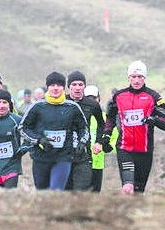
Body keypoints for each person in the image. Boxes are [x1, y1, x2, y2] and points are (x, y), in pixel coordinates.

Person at [19, 71, 89, 190]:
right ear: (47, 87)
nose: (55, 88)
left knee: (56, 191)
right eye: (52, 85)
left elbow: (83, 128)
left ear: (63, 87)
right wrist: (39, 140)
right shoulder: (37, 106)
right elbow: (23, 128)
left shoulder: (72, 107)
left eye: (59, 85)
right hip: (41, 157)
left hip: (63, 157)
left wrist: (82, 142)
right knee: (42, 193)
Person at [103, 60, 165, 194]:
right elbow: (110, 118)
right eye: (133, 76)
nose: (136, 80)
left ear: (145, 78)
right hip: (125, 149)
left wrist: (153, 120)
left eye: (140, 77)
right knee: (128, 187)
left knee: (138, 191)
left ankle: (131, 214)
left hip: (145, 150)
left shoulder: (154, 97)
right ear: (128, 77)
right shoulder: (118, 96)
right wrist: (106, 135)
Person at [65, 70, 105, 191]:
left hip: (84, 153)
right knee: (65, 191)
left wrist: (98, 141)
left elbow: (102, 124)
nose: (77, 88)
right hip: (64, 154)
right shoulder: (62, 102)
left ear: (84, 86)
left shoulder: (92, 104)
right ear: (68, 87)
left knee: (82, 190)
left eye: (81, 84)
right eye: (74, 85)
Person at [84, 85, 117, 192]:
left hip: (97, 164)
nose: (91, 101)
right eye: (88, 98)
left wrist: (108, 146)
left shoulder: (104, 117)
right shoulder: (78, 115)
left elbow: (114, 136)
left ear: (99, 98)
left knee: (94, 194)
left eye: (94, 98)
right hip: (80, 163)